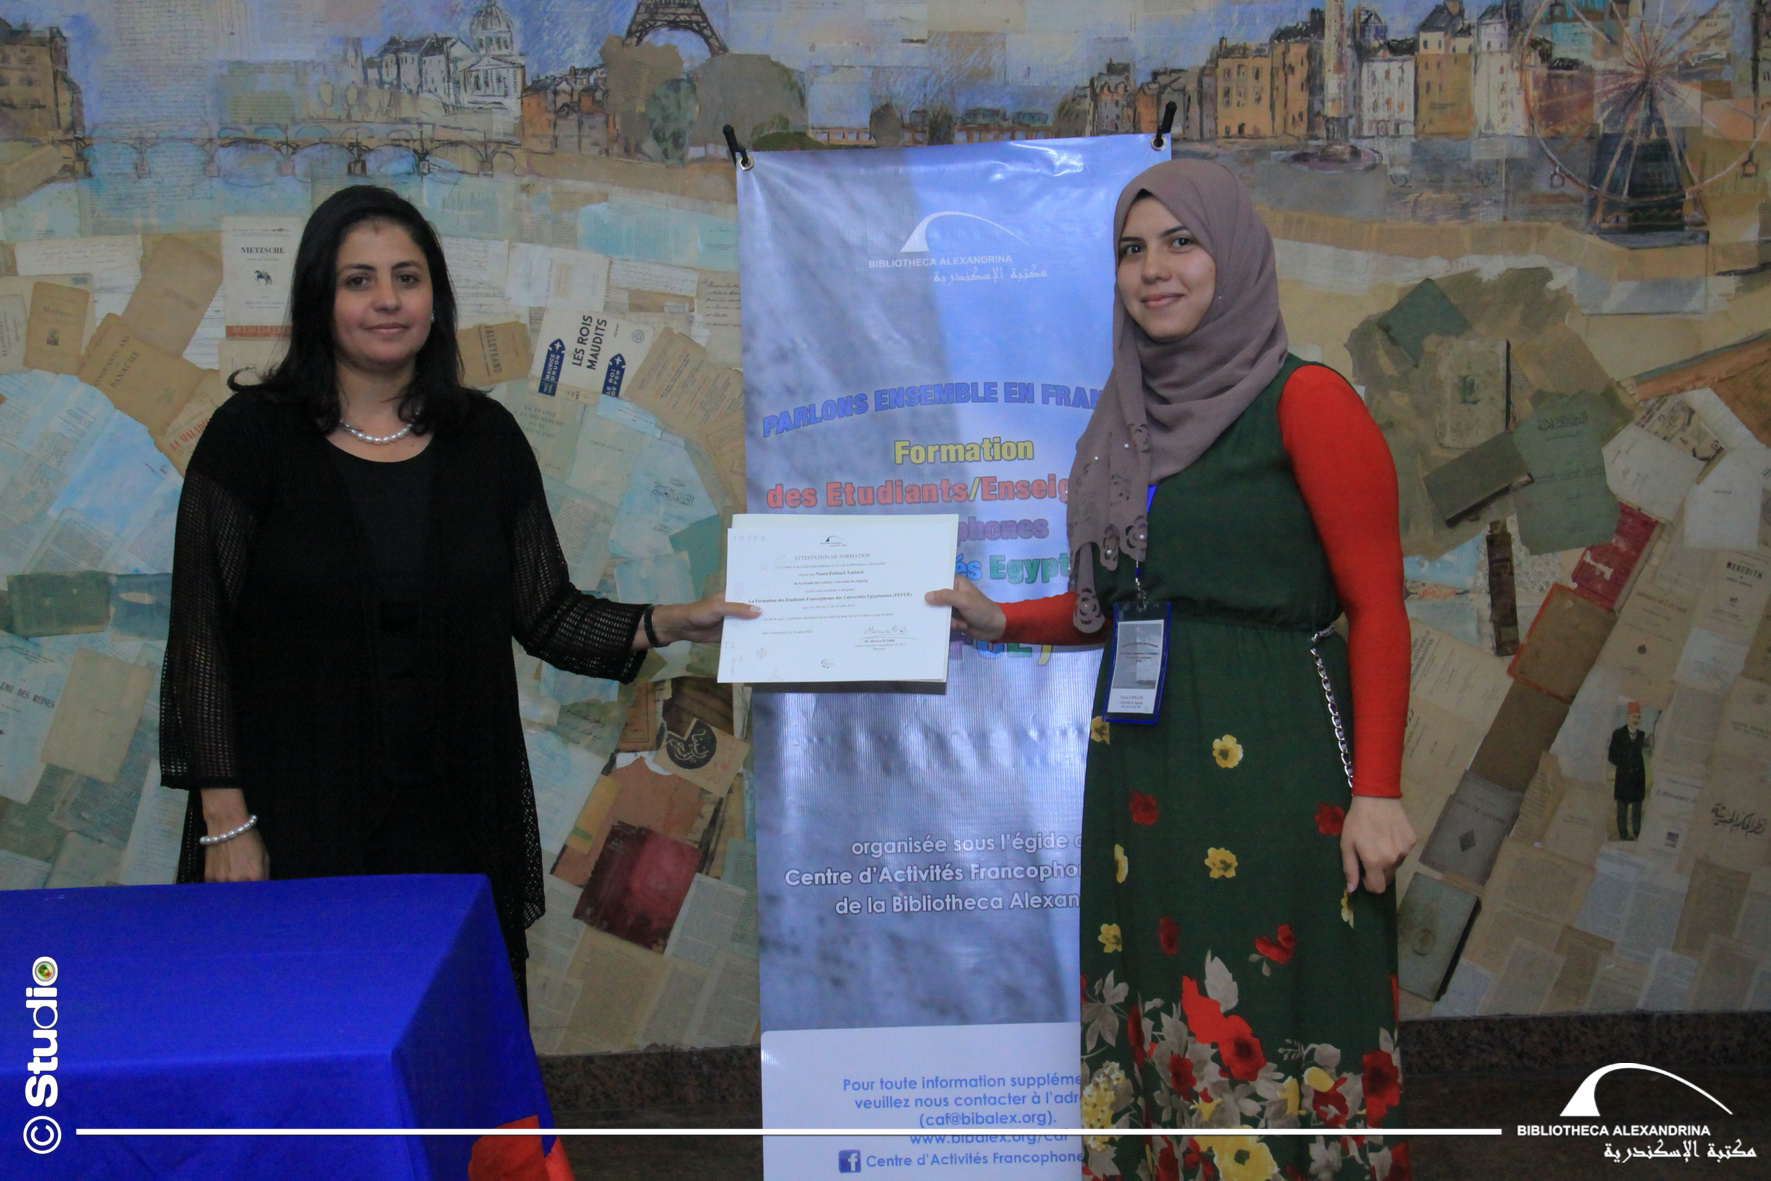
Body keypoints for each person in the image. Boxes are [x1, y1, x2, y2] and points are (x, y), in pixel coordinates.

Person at [928, 160, 1417, 1179]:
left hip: (1277, 770)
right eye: (1131, 249)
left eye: (1180, 242)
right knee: (1162, 1002)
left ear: (1232, 253)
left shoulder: (1306, 401)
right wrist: (997, 617)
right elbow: (1125, 603)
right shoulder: (1128, 424)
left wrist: (1376, 790)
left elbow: (1377, 607)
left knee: (1268, 1001)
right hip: (1146, 777)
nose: (1153, 269)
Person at [159, 185, 756, 1010]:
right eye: (359, 280)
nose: (387, 299)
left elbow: (546, 612)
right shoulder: (250, 437)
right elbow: (201, 638)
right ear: (319, 298)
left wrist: (670, 621)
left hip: (454, 811)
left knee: (449, 1034)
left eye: (406, 277)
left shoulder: (486, 441)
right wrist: (227, 821)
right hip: (294, 809)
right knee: (302, 1027)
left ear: (434, 298)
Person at [1609, 702, 1647, 841]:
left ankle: (1637, 832)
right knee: (1622, 807)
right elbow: (1611, 756)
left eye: (1638, 717)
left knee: (1637, 805)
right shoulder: (1618, 734)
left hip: (1638, 777)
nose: (1636, 720)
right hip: (1624, 777)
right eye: (1633, 716)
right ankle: (1623, 834)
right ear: (1627, 717)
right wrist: (1625, 765)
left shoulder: (1641, 735)